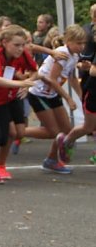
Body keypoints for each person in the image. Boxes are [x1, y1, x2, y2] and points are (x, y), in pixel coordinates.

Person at [0, 25, 38, 183]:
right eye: (16, 45)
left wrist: (28, 83)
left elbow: (35, 71)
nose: (21, 48)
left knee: (4, 138)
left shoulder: (22, 54)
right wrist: (21, 84)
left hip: (3, 99)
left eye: (23, 45)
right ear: (4, 42)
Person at [26, 25, 86, 174]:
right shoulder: (62, 54)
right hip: (39, 93)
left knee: (66, 131)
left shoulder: (75, 56)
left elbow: (72, 79)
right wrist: (68, 98)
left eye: (83, 43)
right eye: (78, 43)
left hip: (52, 94)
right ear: (68, 41)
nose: (82, 46)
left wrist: (81, 97)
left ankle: (51, 160)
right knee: (53, 132)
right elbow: (52, 79)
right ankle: (17, 132)